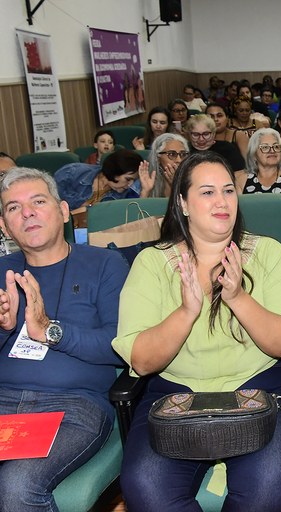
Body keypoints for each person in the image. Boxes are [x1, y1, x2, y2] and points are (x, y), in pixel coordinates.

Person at [113, 152, 281, 511]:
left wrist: (237, 296)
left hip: (261, 387)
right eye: (207, 192)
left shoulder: (268, 253)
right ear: (183, 204)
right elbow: (141, 361)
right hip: (177, 395)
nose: (222, 202)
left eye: (228, 191)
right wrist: (188, 311)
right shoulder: (153, 263)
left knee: (267, 489)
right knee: (147, 489)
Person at [0, 167, 128, 511]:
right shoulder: (1, 271)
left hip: (72, 408)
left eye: (38, 201)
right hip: (3, 403)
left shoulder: (106, 264)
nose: (27, 213)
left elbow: (120, 346)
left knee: (16, 485)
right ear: (3, 225)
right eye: (13, 208)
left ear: (63, 211)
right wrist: (3, 326)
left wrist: (50, 331)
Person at [54, 149, 152, 209]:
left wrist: (145, 192)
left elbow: (134, 219)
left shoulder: (126, 194)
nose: (130, 184)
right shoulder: (72, 172)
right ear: (115, 171)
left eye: (133, 180)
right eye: (128, 179)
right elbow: (52, 198)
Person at [147, 133, 189, 198]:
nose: (179, 160)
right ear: (158, 159)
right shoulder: (145, 182)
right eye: (172, 154)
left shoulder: (192, 182)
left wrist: (176, 184)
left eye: (183, 154)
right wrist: (145, 191)